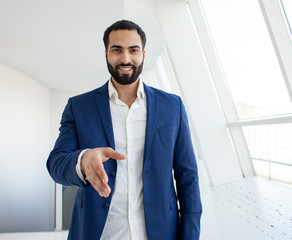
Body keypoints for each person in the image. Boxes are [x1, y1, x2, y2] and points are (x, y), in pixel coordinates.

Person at [47, 20, 202, 240]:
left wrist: (191, 236)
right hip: (99, 234)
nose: (126, 59)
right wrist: (82, 160)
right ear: (106, 54)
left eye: (133, 50)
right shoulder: (79, 107)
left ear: (144, 54)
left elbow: (188, 176)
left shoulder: (172, 107)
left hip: (159, 233)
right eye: (117, 50)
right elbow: (55, 163)